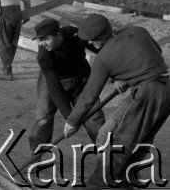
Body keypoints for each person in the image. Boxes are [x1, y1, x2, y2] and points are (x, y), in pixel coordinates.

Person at [64, 14, 170, 189]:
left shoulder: (104, 57)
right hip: (166, 87)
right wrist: (128, 76)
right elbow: (155, 52)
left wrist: (72, 121)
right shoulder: (137, 31)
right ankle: (123, 182)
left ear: (103, 36)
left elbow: (89, 95)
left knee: (115, 141)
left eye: (93, 40)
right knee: (132, 138)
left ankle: (97, 184)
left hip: (147, 93)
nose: (91, 44)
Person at [28, 18, 105, 156]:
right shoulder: (44, 55)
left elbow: (99, 47)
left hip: (80, 79)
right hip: (52, 81)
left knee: (94, 116)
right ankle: (37, 155)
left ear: (58, 35)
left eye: (46, 39)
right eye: (39, 40)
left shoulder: (74, 35)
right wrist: (70, 118)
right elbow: (54, 87)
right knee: (43, 118)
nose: (42, 44)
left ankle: (111, 157)